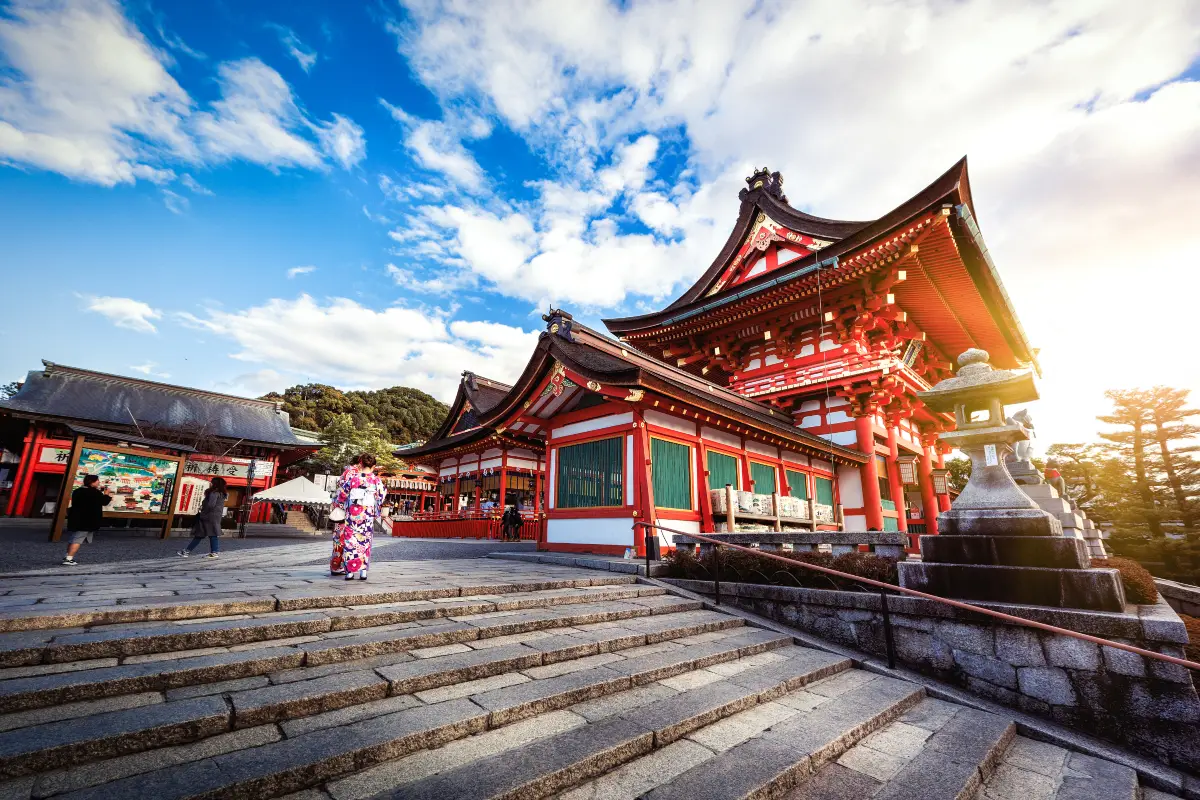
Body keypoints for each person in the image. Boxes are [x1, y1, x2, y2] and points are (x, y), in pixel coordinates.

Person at [331, 453, 386, 580]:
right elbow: (381, 496)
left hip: (352, 515)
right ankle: (363, 572)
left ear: (360, 464)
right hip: (367, 516)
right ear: (374, 466)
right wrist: (375, 507)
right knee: (365, 542)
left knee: (351, 541)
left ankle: (350, 572)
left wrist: (344, 504)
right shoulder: (376, 480)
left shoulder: (353, 478)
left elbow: (342, 494)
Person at [61, 474, 112, 566]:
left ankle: (67, 556)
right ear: (92, 482)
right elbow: (104, 502)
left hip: (76, 518)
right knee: (77, 539)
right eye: (97, 481)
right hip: (87, 520)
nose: (98, 482)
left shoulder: (77, 491)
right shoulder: (94, 492)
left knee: (73, 538)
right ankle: (69, 559)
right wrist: (107, 494)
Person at [178, 476, 227, 559]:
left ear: (214, 484)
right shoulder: (222, 494)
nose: (210, 483)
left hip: (208, 516)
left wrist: (203, 511)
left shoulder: (214, 493)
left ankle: (213, 552)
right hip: (215, 517)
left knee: (204, 534)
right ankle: (187, 551)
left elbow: (211, 505)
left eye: (212, 482)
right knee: (205, 534)